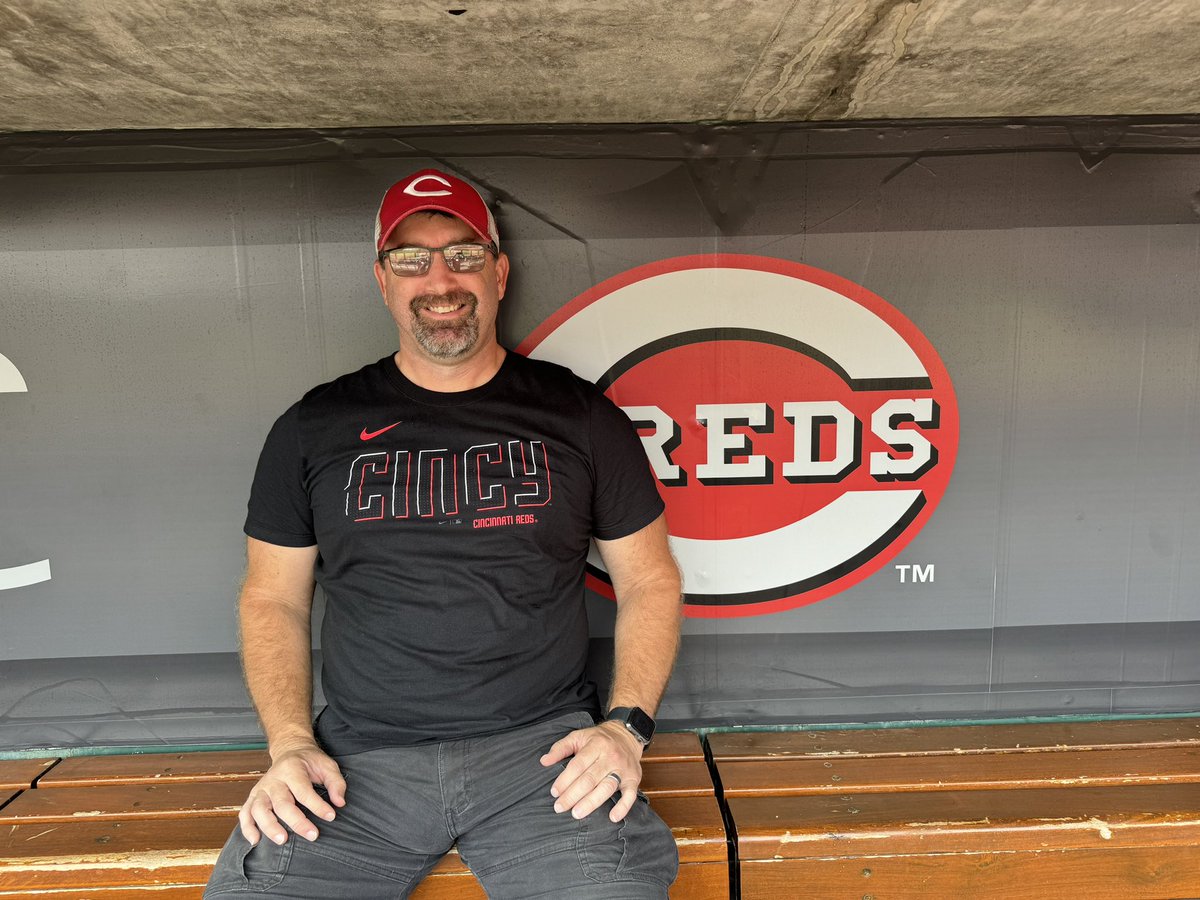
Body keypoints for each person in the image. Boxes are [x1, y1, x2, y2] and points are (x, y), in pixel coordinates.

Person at [204, 168, 683, 898]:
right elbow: (273, 598)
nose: (440, 278)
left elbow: (649, 579)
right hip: (356, 768)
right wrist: (290, 745)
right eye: (411, 258)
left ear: (498, 272)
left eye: (463, 254)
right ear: (383, 278)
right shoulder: (313, 427)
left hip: (545, 760)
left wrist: (624, 729)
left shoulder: (580, 417)